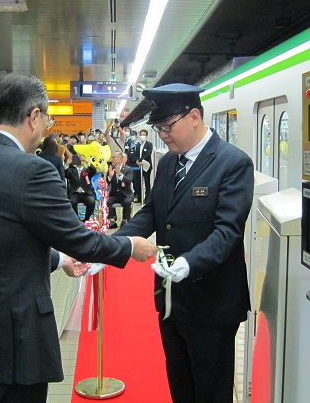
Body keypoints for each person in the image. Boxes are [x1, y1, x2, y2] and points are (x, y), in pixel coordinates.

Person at [0, 72, 157, 403]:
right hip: (13, 341)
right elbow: (79, 239)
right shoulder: (32, 170)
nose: (45, 130)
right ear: (34, 116)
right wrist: (128, 245)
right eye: (47, 121)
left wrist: (59, 260)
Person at [115, 83, 254, 403]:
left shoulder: (232, 163)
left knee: (211, 389)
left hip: (212, 302)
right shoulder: (169, 163)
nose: (163, 135)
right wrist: (109, 246)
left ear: (194, 117)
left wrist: (189, 263)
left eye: (167, 127)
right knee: (180, 382)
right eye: (158, 128)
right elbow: (151, 214)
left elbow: (227, 232)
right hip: (170, 299)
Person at [107, 151, 134, 229]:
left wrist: (119, 174)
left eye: (114, 157)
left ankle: (124, 220)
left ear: (121, 159)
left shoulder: (128, 169)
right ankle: (112, 220)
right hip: (115, 193)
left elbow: (128, 181)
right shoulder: (111, 168)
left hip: (126, 193)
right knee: (107, 201)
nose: (112, 159)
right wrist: (110, 176)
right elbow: (107, 183)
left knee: (127, 202)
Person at [65, 154, 96, 221]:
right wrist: (67, 164)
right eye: (78, 158)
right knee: (72, 202)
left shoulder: (88, 170)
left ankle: (86, 219)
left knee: (91, 201)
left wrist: (86, 161)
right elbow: (64, 173)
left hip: (86, 193)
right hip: (75, 193)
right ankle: (77, 220)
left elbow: (94, 170)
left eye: (81, 158)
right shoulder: (71, 170)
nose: (80, 160)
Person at [127, 129, 153, 203]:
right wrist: (137, 160)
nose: (142, 136)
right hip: (138, 166)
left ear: (146, 136)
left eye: (144, 135)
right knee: (138, 182)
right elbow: (136, 154)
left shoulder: (149, 144)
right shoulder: (138, 145)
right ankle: (139, 197)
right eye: (141, 135)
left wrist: (141, 160)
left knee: (147, 182)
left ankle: (147, 198)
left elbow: (148, 154)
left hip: (146, 166)